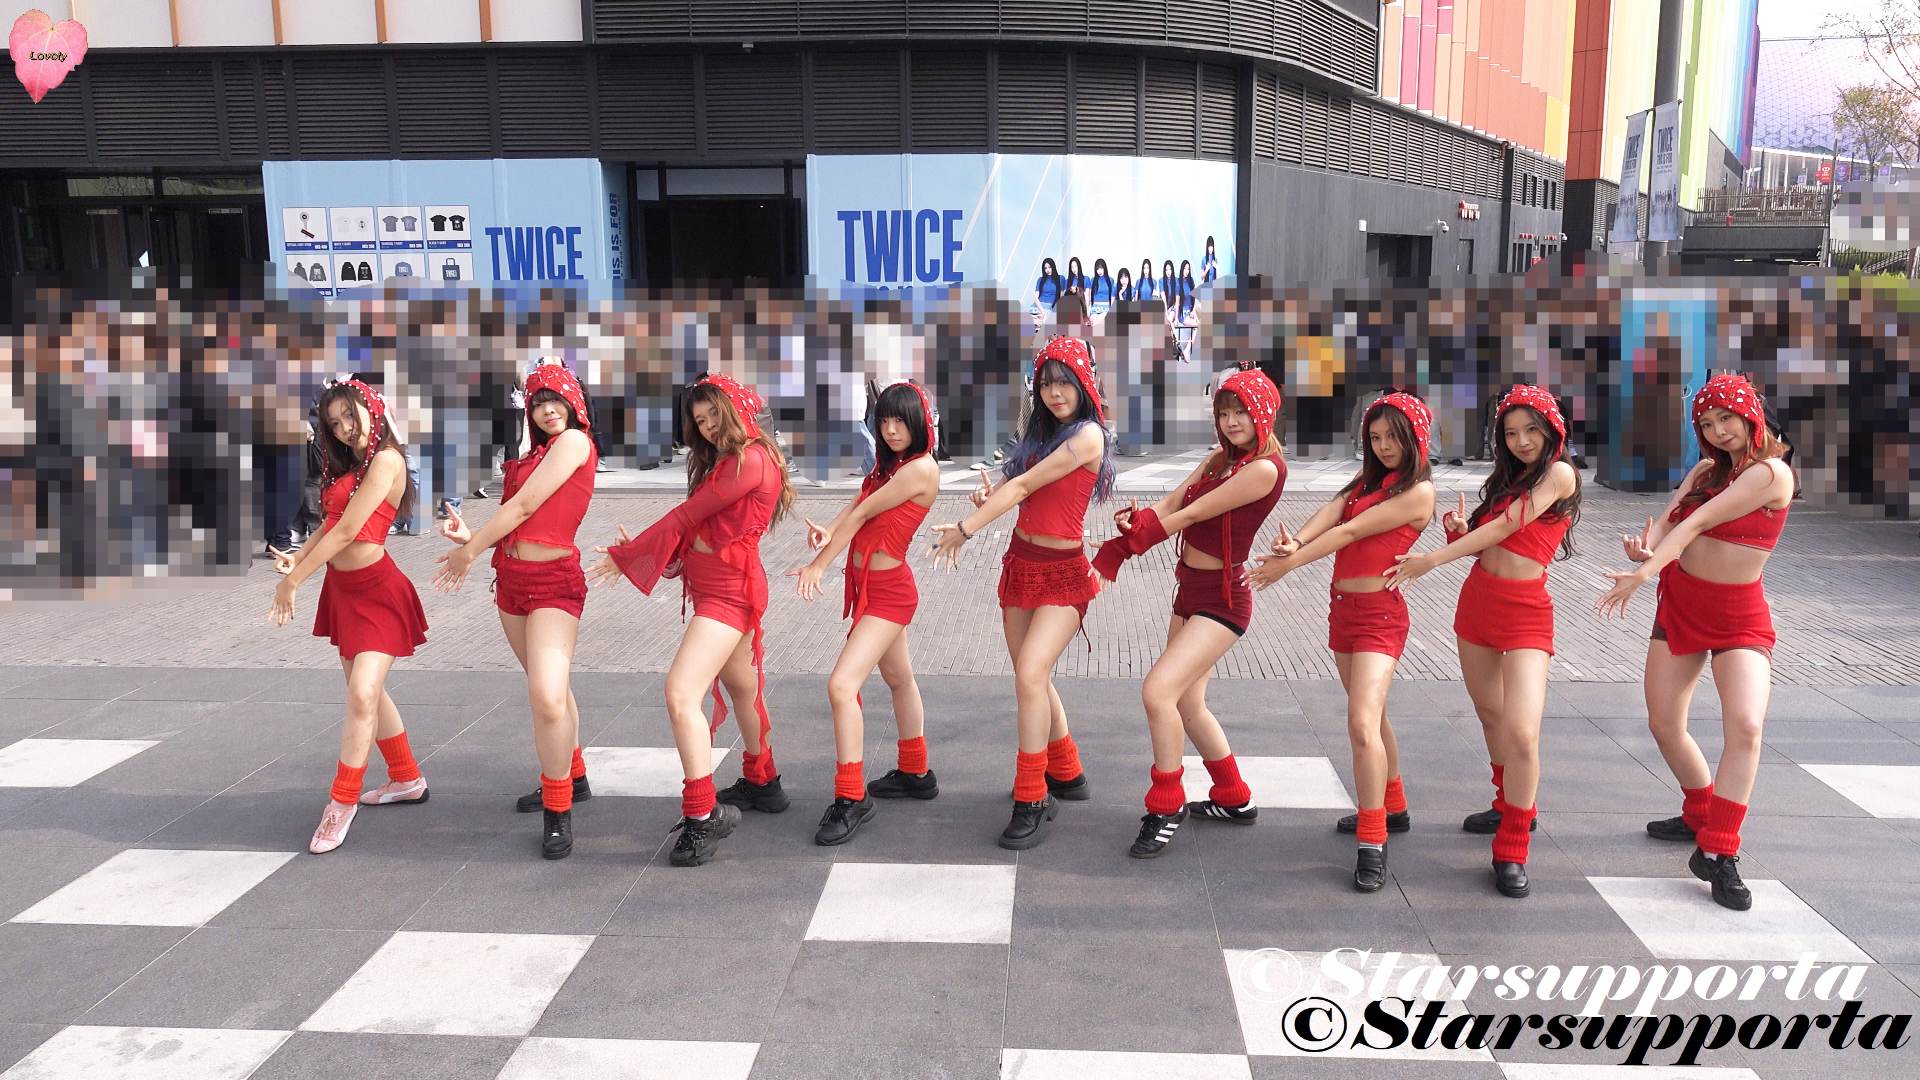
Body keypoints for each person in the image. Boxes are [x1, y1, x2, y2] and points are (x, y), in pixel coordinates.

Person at [1597, 373, 1793, 912]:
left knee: (1746, 726)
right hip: (1682, 603)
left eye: (1726, 418)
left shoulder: (1771, 473)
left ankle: (1719, 851)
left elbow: (1699, 523)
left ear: (1750, 415)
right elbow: (1671, 523)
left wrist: (1642, 574)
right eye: (1706, 423)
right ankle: (1699, 812)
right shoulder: (1707, 471)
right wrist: (1647, 549)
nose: (1717, 430)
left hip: (1739, 616)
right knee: (1664, 723)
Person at [588, 373, 796, 867]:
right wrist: (651, 554)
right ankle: (763, 780)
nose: (705, 427)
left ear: (734, 409)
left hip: (729, 594)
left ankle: (703, 816)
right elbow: (703, 531)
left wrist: (631, 556)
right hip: (722, 587)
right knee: (742, 688)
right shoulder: (732, 460)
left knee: (681, 693)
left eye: (712, 416)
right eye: (699, 421)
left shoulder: (749, 460)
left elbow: (687, 519)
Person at [1386, 385, 1581, 900]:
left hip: (1527, 613)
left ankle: (1513, 843)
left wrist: (1433, 559)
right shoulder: (1507, 481)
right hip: (1478, 605)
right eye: (1511, 433)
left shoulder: (1560, 474)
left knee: (1522, 731)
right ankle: (1506, 801)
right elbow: (1490, 543)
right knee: (1491, 716)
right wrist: (1457, 532)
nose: (1521, 441)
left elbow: (1508, 528)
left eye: (1531, 430)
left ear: (1552, 430)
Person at [1093, 367, 1286, 858]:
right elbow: (1176, 500)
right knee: (1187, 704)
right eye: (1224, 413)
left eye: (1241, 412)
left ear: (1263, 413)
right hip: (1191, 589)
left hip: (1224, 599)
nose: (1232, 421)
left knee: (1158, 691)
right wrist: (1138, 520)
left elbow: (1196, 513)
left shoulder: (1264, 469)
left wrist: (1132, 544)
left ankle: (1166, 804)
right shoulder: (1219, 460)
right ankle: (1234, 797)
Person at [1248, 391, 1435, 891]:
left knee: (1360, 723)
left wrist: (1288, 565)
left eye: (1393, 437)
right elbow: (1333, 510)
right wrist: (1295, 541)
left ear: (1415, 438)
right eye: (1375, 437)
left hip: (1380, 617)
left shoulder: (1419, 492)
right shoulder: (1368, 481)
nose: (1383, 446)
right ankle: (1393, 805)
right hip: (1344, 611)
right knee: (1372, 717)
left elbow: (1350, 532)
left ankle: (1373, 840)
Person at [932, 336, 1114, 849]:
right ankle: (1067, 770)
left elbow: (1023, 487)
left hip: (1064, 572)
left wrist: (965, 529)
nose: (1055, 393)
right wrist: (987, 496)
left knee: (1032, 673)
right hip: (1022, 563)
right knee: (1031, 676)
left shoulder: (1088, 437)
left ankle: (1033, 796)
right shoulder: (1040, 439)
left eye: (1064, 383)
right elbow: (1014, 488)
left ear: (1083, 385)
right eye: (1047, 385)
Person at [433, 359, 597, 860]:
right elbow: (520, 517)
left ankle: (558, 808)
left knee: (546, 697)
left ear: (573, 402)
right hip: (512, 580)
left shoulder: (574, 442)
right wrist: (471, 536)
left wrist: (469, 552)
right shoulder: (536, 454)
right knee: (552, 690)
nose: (548, 411)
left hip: (554, 584)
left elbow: (524, 507)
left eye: (556, 400)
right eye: (538, 404)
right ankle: (573, 775)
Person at [269, 378, 429, 855]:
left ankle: (341, 801)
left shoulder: (386, 459)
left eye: (348, 417)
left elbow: (350, 531)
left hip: (378, 591)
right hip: (344, 592)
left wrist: (294, 582)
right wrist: (296, 560)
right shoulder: (354, 466)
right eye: (333, 424)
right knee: (368, 694)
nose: (343, 429)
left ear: (371, 410)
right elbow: (330, 527)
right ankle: (406, 778)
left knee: (362, 693)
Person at [789, 382, 944, 845]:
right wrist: (828, 529)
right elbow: (858, 504)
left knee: (841, 686)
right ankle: (916, 772)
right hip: (873, 591)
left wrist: (819, 565)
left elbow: (862, 516)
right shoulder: (890, 467)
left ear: (919, 423)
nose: (891, 429)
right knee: (899, 679)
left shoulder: (920, 469)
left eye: (901, 420)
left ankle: (851, 797)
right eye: (884, 420)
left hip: (889, 594)